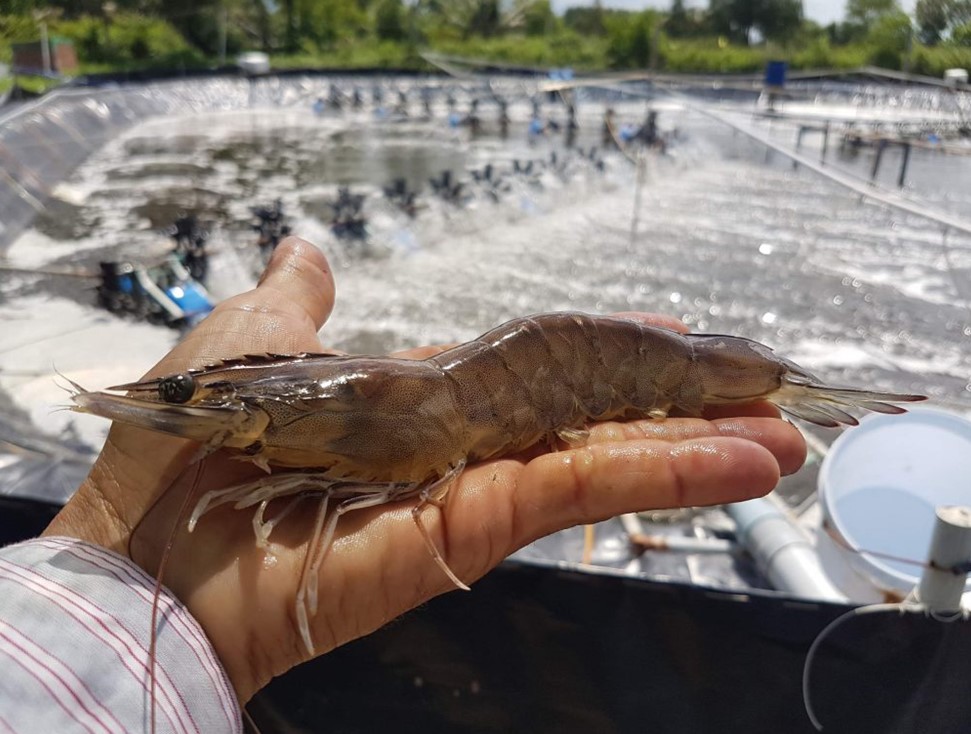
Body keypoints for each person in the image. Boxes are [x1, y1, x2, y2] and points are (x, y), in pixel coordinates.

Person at [1, 237, 806, 731]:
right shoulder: (276, 405)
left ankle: (755, 377)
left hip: (573, 371)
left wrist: (115, 549)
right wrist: (119, 529)